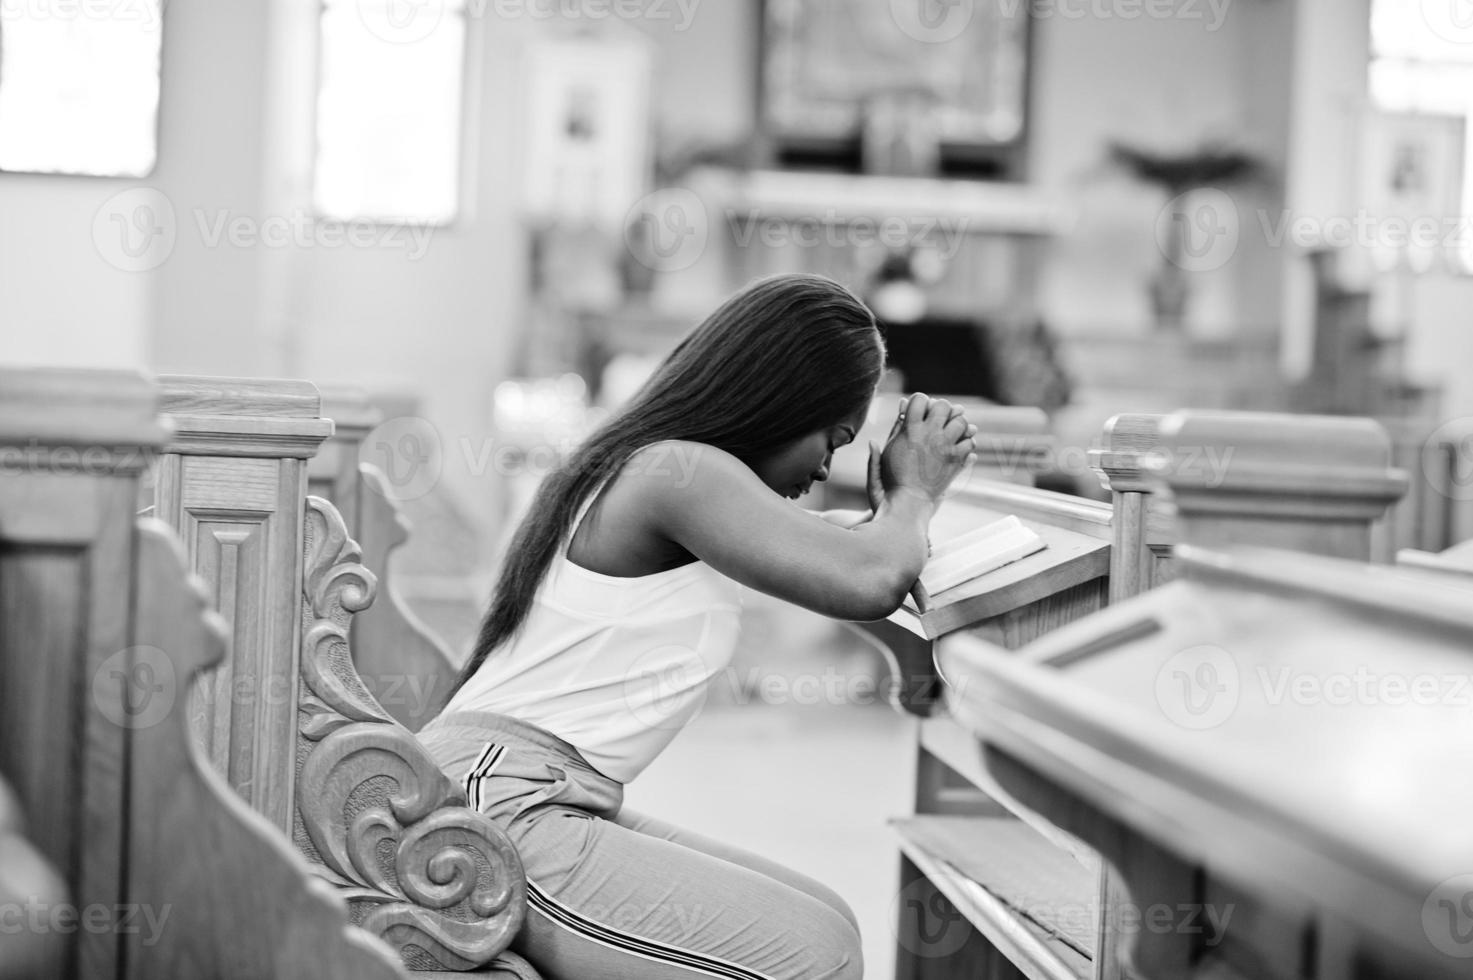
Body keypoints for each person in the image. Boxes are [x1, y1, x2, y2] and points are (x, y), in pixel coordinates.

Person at [418, 273, 976, 980]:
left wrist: (891, 523)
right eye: (830, 438)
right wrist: (914, 492)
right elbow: (866, 578)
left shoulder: (665, 469)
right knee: (810, 953)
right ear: (780, 401)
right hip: (500, 807)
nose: (827, 467)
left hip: (521, 793)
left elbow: (849, 552)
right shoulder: (677, 471)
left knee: (827, 917)